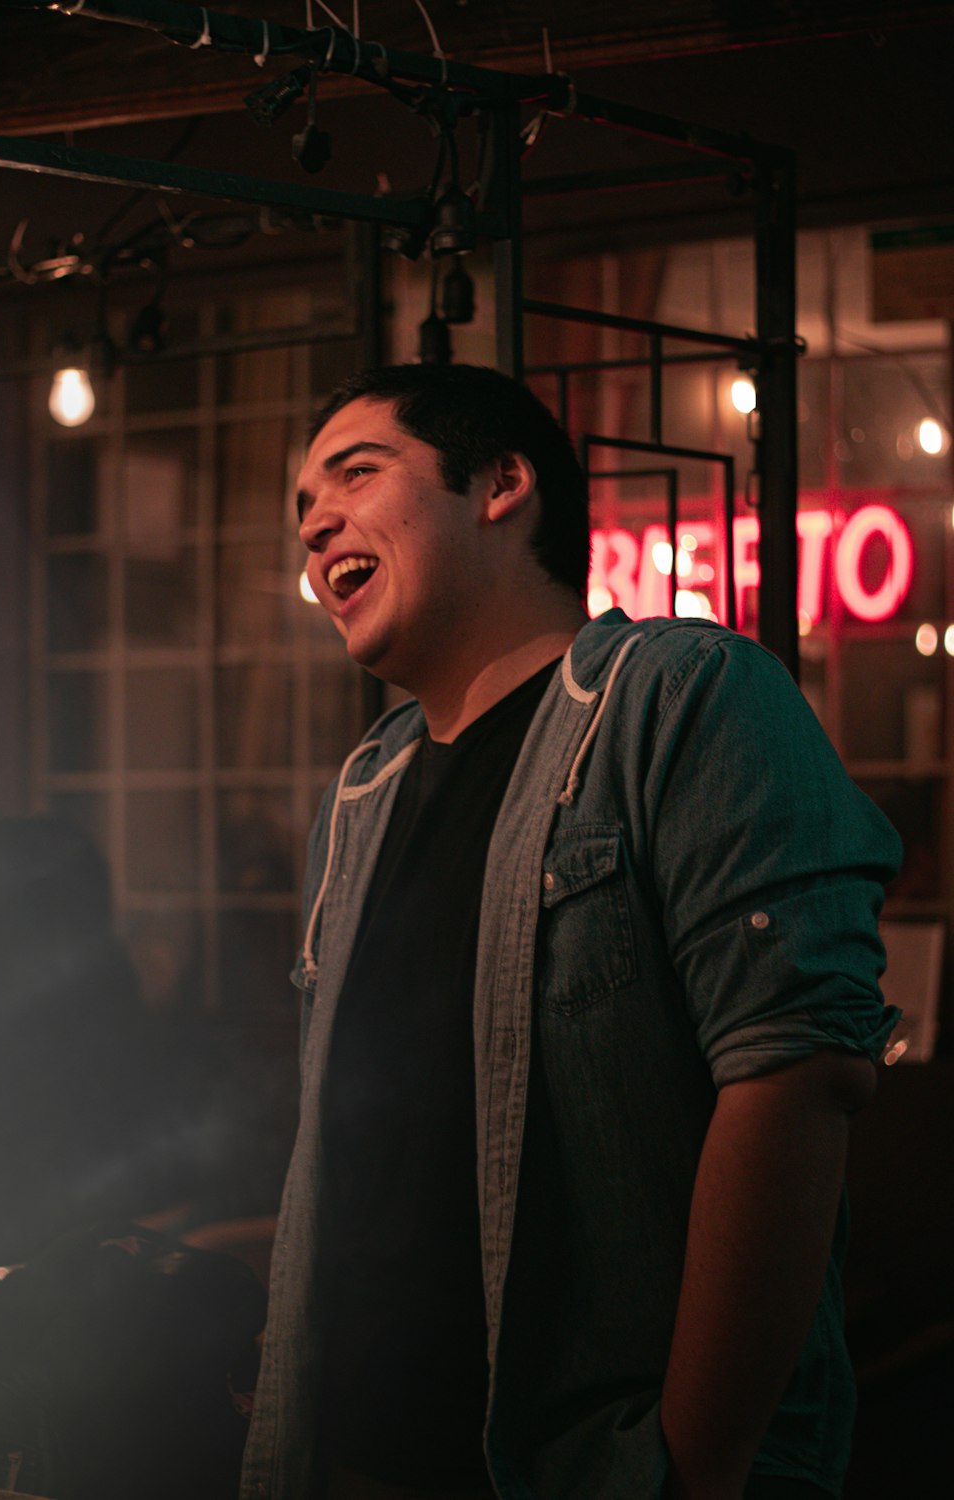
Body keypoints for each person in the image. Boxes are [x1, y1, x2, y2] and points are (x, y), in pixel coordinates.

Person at [239, 364, 901, 1500]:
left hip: (586, 1466)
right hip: (361, 1456)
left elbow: (797, 1076)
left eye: (356, 472)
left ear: (501, 484)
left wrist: (688, 1469)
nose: (315, 522)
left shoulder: (681, 693)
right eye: (303, 504)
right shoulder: (363, 790)